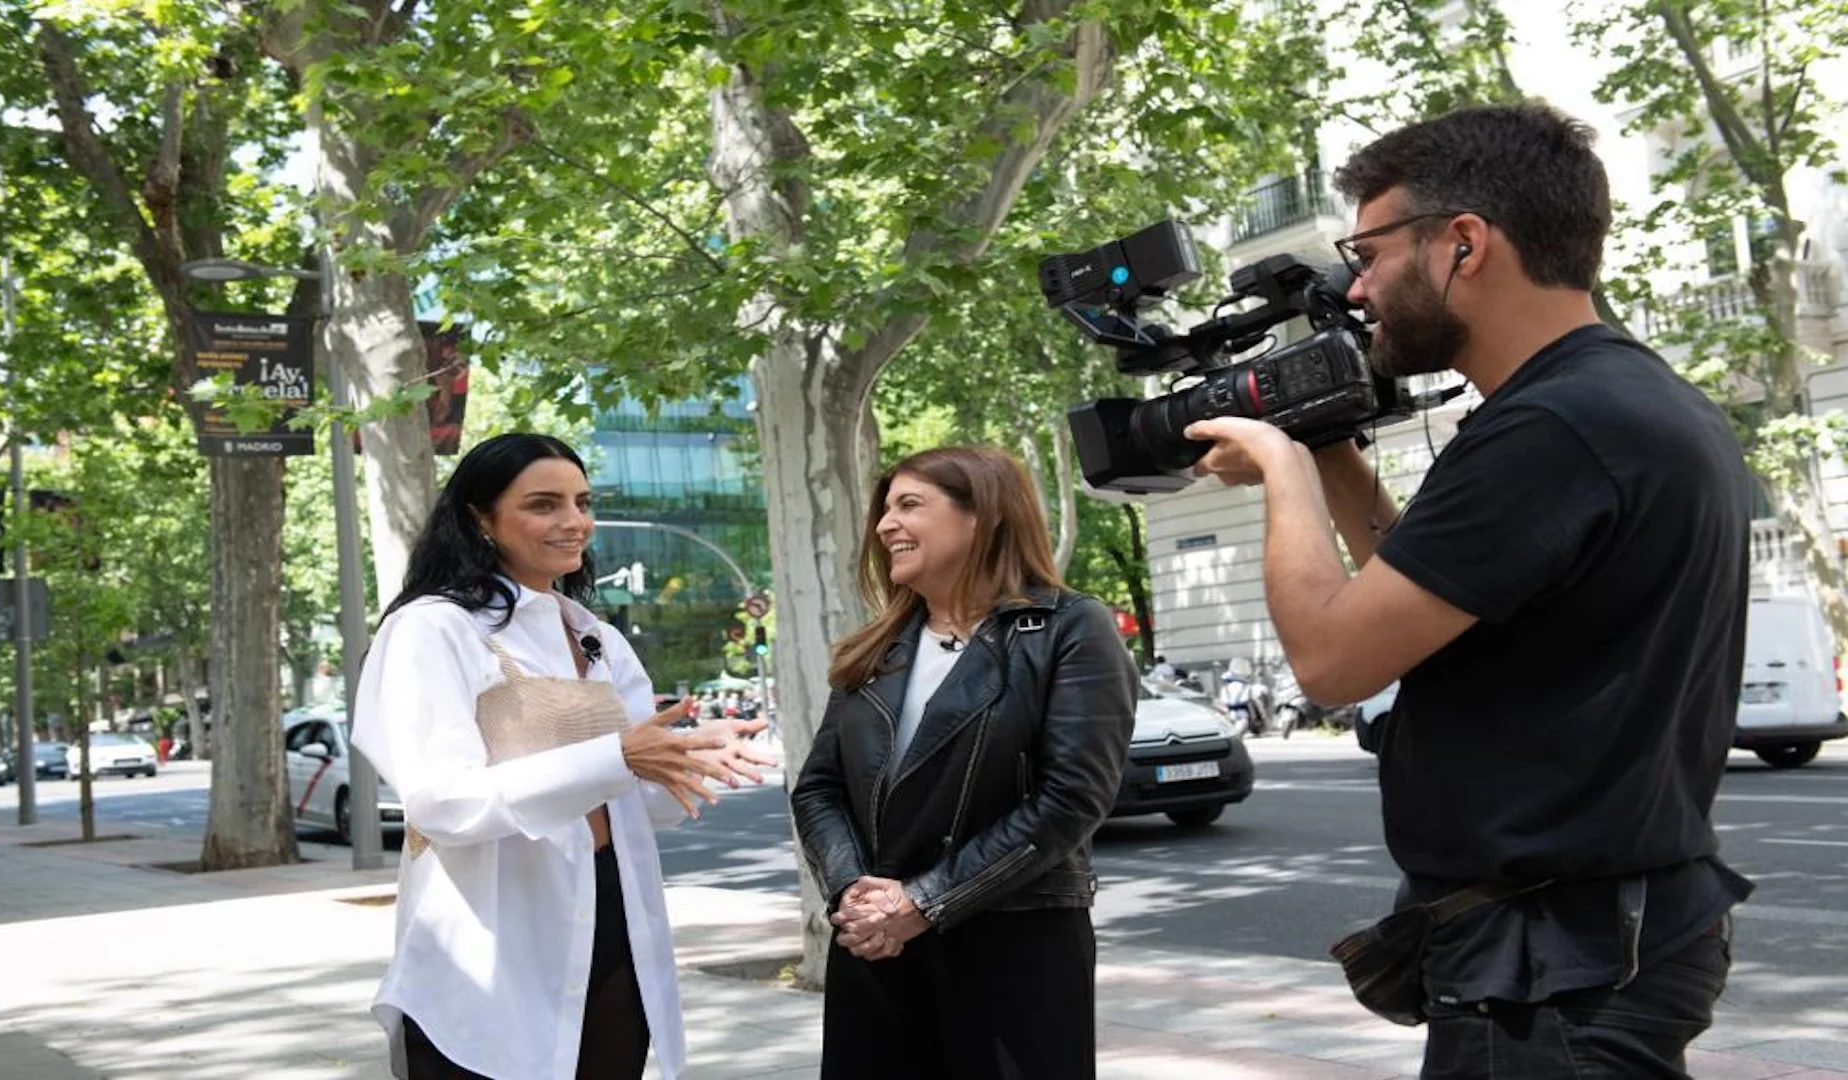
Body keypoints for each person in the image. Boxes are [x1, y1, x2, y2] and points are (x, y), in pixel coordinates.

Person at [1187, 103, 1754, 1077]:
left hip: (1554, 972)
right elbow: (1423, 598)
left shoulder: (1553, 430)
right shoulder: (1615, 400)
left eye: (1369, 253)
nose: (1357, 289)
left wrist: (1279, 465)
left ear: (1464, 243)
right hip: (1590, 943)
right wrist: (1329, 454)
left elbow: (1332, 659)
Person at [352, 432, 770, 1079]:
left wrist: (688, 757)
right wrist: (618, 756)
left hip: (614, 923)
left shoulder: (596, 636)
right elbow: (441, 804)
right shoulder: (433, 628)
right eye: (544, 504)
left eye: (583, 502)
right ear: (479, 518)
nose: (574, 521)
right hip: (487, 946)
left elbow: (643, 804)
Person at [791, 445, 1139, 1080]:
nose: (885, 526)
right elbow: (818, 789)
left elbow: (1073, 798)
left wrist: (924, 902)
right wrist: (854, 895)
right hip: (876, 942)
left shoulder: (1069, 628)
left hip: (1015, 944)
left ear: (983, 514)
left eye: (909, 505)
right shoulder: (876, 648)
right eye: (885, 509)